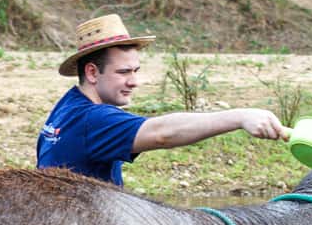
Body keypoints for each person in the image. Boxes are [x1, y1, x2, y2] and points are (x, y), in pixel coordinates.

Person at [37, 14, 288, 186]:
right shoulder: (93, 120)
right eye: (123, 72)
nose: (134, 82)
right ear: (92, 72)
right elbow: (162, 133)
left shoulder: (67, 106)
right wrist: (239, 117)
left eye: (136, 70)